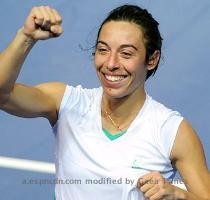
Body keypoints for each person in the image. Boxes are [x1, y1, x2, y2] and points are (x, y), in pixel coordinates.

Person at [0, 4, 209, 200]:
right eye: (103, 49)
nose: (110, 64)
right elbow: (3, 94)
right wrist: (25, 37)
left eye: (126, 53)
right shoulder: (66, 102)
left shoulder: (172, 131)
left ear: (152, 60)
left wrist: (177, 195)